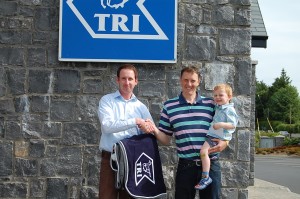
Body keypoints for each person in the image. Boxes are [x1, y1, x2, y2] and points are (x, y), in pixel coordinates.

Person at [145, 66, 228, 199]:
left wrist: (225, 142)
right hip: (186, 167)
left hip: (211, 165)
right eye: (186, 80)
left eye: (193, 80)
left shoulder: (212, 104)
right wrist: (154, 129)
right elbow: (166, 139)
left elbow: (228, 123)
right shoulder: (169, 106)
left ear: (199, 81)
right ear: (180, 80)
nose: (189, 84)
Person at [97, 64, 153, 199]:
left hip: (133, 160)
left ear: (136, 81)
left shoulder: (141, 107)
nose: (127, 82)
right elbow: (107, 126)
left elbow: (150, 133)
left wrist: (146, 129)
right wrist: (135, 121)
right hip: (110, 158)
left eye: (130, 79)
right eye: (123, 79)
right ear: (117, 80)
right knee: (106, 196)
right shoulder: (107, 100)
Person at [195, 83, 238, 190]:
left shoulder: (229, 110)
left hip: (216, 135)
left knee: (203, 152)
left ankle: (205, 177)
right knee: (206, 153)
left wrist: (221, 125)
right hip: (214, 134)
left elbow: (233, 125)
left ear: (229, 97)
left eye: (221, 95)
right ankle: (207, 169)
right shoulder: (219, 107)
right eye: (215, 95)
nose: (217, 98)